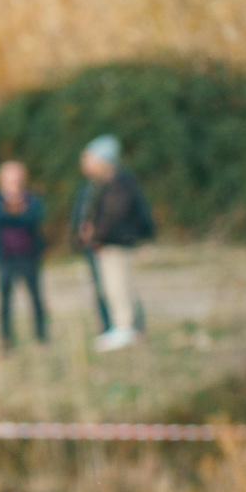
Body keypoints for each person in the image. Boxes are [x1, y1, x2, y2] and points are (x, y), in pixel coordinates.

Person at [73, 135, 154, 351]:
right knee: (118, 286)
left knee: (118, 286)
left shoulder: (118, 183)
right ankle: (129, 328)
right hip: (112, 243)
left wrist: (96, 235)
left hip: (116, 243)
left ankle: (125, 328)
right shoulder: (107, 183)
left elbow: (112, 215)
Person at [0, 160, 49, 348]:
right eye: (10, 180)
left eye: (17, 180)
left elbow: (31, 218)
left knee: (35, 298)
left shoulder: (33, 199)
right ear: (1, 181)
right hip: (5, 257)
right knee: (4, 300)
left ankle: (41, 336)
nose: (14, 185)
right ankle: (6, 338)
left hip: (29, 255)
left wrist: (11, 213)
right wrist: (17, 212)